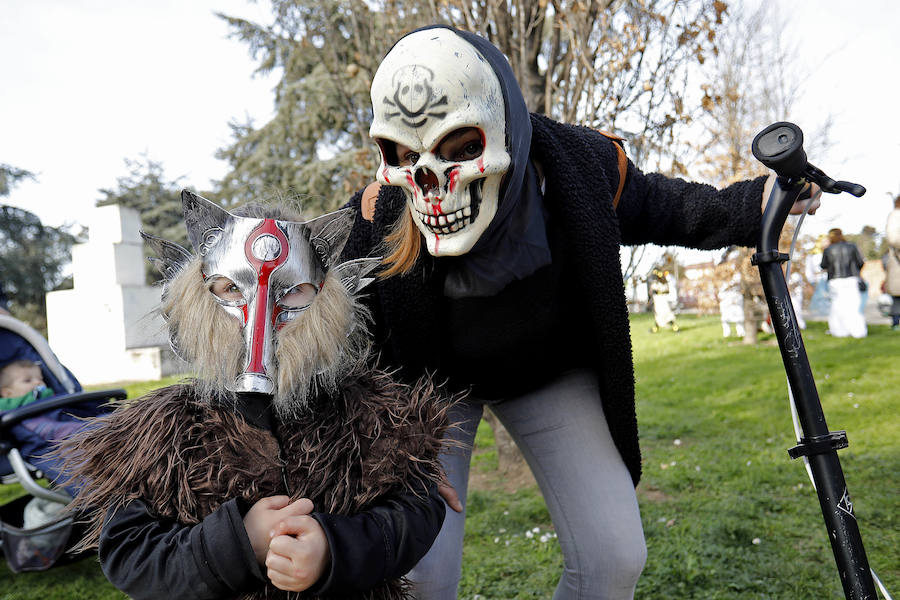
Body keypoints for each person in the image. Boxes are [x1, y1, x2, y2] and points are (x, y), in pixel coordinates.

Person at [340, 25, 821, 600]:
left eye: (463, 147)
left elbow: (665, 206)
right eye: (405, 155)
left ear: (505, 129)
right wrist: (392, 441)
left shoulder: (579, 166)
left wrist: (755, 202)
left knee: (613, 555)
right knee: (415, 575)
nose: (432, 180)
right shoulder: (381, 208)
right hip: (430, 393)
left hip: (547, 372)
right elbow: (349, 329)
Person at [59, 192, 451, 600]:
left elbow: (415, 510)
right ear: (195, 298)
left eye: (294, 291)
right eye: (229, 288)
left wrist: (333, 549)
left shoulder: (373, 416)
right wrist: (236, 544)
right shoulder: (161, 434)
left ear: (328, 299)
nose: (260, 316)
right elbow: (130, 552)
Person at [820, 228, 867, 338]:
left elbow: (823, 265)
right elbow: (860, 262)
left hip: (835, 281)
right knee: (853, 306)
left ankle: (839, 332)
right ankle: (858, 332)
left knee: (837, 307)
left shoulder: (828, 250)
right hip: (851, 279)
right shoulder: (852, 246)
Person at [882, 195, 900, 330]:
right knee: (897, 297)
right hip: (898, 261)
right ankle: (896, 323)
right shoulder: (895, 215)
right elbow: (893, 238)